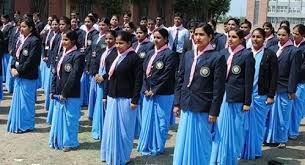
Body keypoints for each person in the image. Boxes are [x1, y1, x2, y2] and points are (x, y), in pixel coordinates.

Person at [173, 23, 226, 164]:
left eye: (201, 34)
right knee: (184, 140)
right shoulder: (189, 55)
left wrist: (214, 111)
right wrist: (177, 102)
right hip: (187, 105)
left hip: (203, 107)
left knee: (202, 143)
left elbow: (218, 88)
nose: (197, 37)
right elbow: (181, 80)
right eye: (195, 34)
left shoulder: (217, 57)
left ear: (210, 37)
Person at [210, 29, 255, 165]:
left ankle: (229, 159)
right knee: (219, 130)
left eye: (234, 37)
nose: (230, 39)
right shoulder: (222, 53)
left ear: (241, 39)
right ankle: (217, 158)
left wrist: (247, 101)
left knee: (234, 131)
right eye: (229, 36)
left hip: (236, 98)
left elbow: (249, 80)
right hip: (222, 96)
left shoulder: (247, 55)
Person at [101, 31, 143, 164]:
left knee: (125, 130)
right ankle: (110, 155)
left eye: (121, 43)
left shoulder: (134, 58)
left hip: (126, 99)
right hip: (113, 97)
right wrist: (105, 93)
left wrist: (135, 100)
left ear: (129, 43)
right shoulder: (115, 56)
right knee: (110, 129)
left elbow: (138, 81)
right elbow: (111, 74)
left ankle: (123, 157)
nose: (118, 45)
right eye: (117, 43)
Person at [137, 28, 178, 155]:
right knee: (147, 121)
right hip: (147, 93)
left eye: (159, 37)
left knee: (161, 121)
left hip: (163, 93)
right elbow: (144, 72)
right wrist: (145, 89)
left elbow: (167, 75)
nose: (156, 40)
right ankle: (146, 144)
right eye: (154, 37)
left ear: (166, 39)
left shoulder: (170, 54)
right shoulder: (150, 53)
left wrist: (154, 90)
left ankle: (158, 146)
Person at [241, 28, 278, 160]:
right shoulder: (245, 53)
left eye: (259, 37)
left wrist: (271, 95)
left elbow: (274, 76)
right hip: (246, 96)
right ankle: (242, 150)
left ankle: (255, 151)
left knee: (258, 125)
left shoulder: (270, 54)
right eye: (254, 37)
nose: (255, 39)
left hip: (261, 95)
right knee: (243, 125)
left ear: (264, 39)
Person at [49, 30, 84, 152]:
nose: (63, 42)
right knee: (59, 117)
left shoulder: (78, 55)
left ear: (73, 41)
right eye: (62, 39)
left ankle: (70, 142)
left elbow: (74, 76)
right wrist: (53, 90)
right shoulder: (61, 54)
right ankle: (59, 139)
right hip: (59, 91)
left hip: (71, 93)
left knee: (71, 118)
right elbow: (54, 73)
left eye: (66, 40)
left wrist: (65, 93)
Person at [265, 26, 300, 148]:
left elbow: (294, 73)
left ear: (289, 35)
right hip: (270, 88)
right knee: (269, 115)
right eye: (279, 35)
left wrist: (291, 90)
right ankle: (268, 137)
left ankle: (281, 138)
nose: (281, 37)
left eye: (284, 35)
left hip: (284, 88)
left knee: (282, 115)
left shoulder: (294, 51)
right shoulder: (271, 48)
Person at [7, 18, 41, 133]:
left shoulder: (35, 41)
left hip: (28, 75)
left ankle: (26, 125)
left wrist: (19, 71)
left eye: (24, 27)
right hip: (18, 75)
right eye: (20, 26)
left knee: (26, 103)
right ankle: (17, 123)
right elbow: (14, 55)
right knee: (18, 102)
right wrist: (12, 67)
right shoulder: (20, 39)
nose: (21, 29)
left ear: (31, 28)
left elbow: (32, 60)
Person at [91, 30, 117, 140]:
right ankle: (98, 128)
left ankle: (105, 130)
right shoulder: (102, 50)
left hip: (107, 80)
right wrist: (95, 74)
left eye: (111, 38)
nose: (108, 41)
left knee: (104, 102)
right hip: (98, 79)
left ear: (115, 39)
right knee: (98, 103)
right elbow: (95, 63)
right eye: (106, 39)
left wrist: (103, 77)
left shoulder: (116, 53)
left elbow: (113, 69)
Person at [88, 17, 110, 121]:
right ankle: (92, 115)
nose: (101, 27)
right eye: (100, 24)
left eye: (103, 25)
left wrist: (99, 73)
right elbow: (91, 52)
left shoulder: (108, 38)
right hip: (94, 68)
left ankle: (101, 118)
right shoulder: (95, 36)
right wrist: (93, 71)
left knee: (101, 95)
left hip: (103, 70)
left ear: (108, 26)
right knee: (93, 93)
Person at [288, 24, 305, 140]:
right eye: (293, 33)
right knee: (288, 108)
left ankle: (293, 131)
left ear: (303, 35)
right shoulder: (290, 45)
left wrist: (294, 72)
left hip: (300, 82)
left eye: (296, 34)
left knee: (297, 108)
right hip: (288, 81)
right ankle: (287, 129)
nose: (294, 36)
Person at [80, 16, 99, 106]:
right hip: (82, 58)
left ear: (93, 23)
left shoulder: (95, 33)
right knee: (82, 81)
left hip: (91, 59)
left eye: (89, 22)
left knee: (89, 81)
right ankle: (83, 100)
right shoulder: (82, 32)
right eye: (85, 21)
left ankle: (89, 101)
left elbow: (93, 48)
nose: (87, 23)